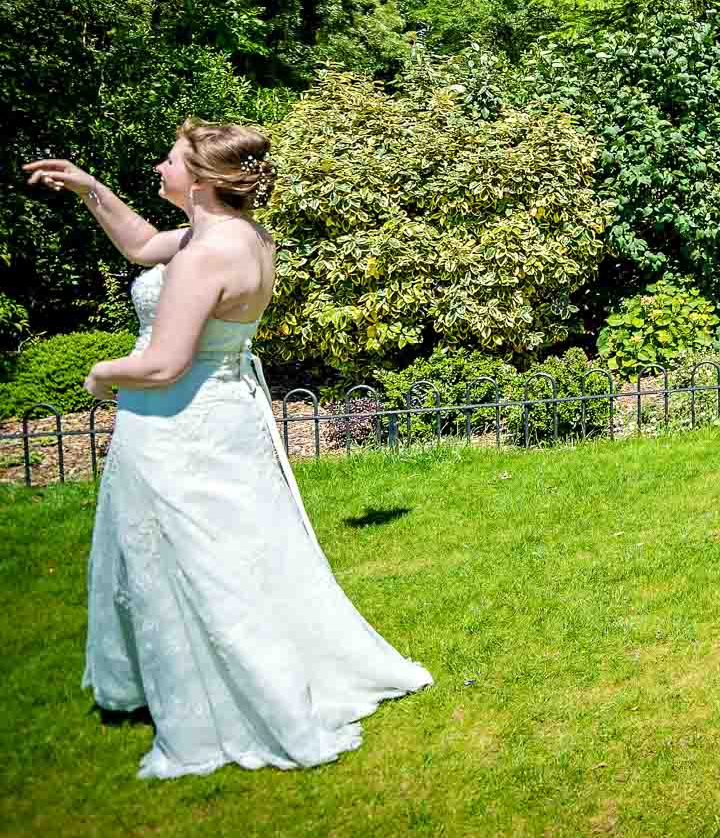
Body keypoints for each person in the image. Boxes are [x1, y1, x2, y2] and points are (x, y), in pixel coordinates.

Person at [25, 124, 431, 779]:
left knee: (195, 565)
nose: (158, 168)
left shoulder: (205, 255)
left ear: (204, 180)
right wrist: (87, 188)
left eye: (170, 161)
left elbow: (162, 364)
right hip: (226, 420)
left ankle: (230, 700)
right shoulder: (236, 238)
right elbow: (139, 246)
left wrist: (101, 373)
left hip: (178, 426)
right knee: (243, 554)